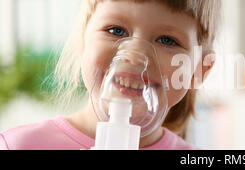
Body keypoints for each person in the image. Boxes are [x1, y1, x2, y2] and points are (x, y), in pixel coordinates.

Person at [0, 0, 221, 150]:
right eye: (116, 30)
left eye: (167, 40)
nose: (135, 56)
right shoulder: (19, 146)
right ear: (83, 40)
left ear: (199, 70)